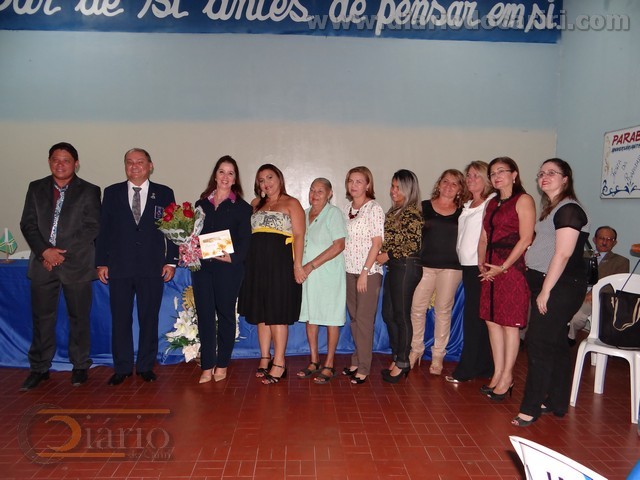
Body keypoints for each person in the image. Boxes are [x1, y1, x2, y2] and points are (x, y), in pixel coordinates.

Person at [512, 158, 590, 426]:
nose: (544, 177)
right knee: (555, 343)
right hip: (548, 283)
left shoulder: (570, 210)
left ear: (565, 178)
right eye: (541, 173)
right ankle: (557, 401)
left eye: (552, 173)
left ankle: (530, 408)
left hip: (560, 286)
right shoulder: (553, 208)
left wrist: (545, 290)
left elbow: (563, 253)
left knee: (538, 343)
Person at [19, 142, 101, 391]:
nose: (60, 164)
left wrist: (59, 254)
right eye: (55, 159)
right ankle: (39, 368)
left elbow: (92, 227)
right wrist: (45, 252)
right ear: (49, 162)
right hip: (42, 264)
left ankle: (80, 366)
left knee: (79, 318)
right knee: (42, 319)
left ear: (76, 163)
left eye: (66, 160)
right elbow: (28, 224)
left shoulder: (90, 190)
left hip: (76, 264)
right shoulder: (36, 188)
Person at [96, 148, 178, 386]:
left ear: (150, 166)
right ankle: (121, 367)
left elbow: (174, 228)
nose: (134, 166)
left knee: (149, 318)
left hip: (152, 267)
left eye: (140, 162)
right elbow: (103, 230)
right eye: (129, 162)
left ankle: (145, 366)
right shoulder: (111, 193)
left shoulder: (164, 193)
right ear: (125, 166)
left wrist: (171, 261)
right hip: (119, 267)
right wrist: (101, 262)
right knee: (120, 319)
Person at [238, 164, 305, 385]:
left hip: (280, 267)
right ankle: (265, 357)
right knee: (261, 314)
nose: (266, 183)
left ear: (279, 178)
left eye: (269, 177)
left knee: (277, 314)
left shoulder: (292, 203)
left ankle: (279, 362)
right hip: (256, 266)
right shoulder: (255, 205)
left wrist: (297, 265)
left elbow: (299, 236)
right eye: (261, 180)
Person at [478, 157, 535, 401]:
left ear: (514, 174)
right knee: (492, 321)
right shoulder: (491, 202)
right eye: (492, 173)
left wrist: (502, 267)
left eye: (502, 171)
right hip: (489, 267)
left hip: (511, 267)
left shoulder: (523, 199)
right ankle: (498, 372)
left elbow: (526, 239)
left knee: (509, 324)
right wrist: (481, 262)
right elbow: (483, 237)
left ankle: (508, 376)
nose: (496, 176)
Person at [192, 156, 252, 384]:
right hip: (202, 269)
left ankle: (223, 363)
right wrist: (189, 247)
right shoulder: (201, 205)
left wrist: (232, 257)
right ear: (215, 176)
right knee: (205, 316)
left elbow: (246, 242)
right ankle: (207, 365)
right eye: (221, 172)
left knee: (226, 316)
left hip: (228, 270)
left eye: (230, 173)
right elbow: (193, 236)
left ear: (235, 179)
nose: (225, 177)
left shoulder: (242, 208)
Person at [410, 169, 466, 375]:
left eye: (454, 183)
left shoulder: (464, 212)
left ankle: (438, 355)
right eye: (445, 181)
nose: (449, 186)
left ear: (460, 189)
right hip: (424, 265)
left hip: (451, 268)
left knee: (443, 311)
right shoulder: (423, 207)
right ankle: (416, 349)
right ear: (439, 184)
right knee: (417, 308)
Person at [445, 161, 496, 384]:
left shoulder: (491, 203)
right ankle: (484, 365)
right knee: (476, 316)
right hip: (467, 266)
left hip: (479, 266)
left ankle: (468, 368)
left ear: (486, 179)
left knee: (475, 318)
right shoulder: (468, 204)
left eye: (476, 175)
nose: (470, 179)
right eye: (469, 175)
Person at [296, 178, 347, 384]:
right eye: (312, 190)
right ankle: (314, 361)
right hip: (308, 276)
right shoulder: (304, 214)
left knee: (331, 317)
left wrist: (311, 265)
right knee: (311, 316)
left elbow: (339, 245)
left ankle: (329, 364)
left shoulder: (333, 214)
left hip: (328, 274)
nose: (315, 195)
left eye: (320, 191)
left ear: (329, 194)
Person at [376, 170, 423, 383]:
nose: (393, 191)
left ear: (409, 189)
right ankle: (397, 356)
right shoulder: (395, 210)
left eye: (398, 187)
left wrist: (388, 254)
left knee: (401, 315)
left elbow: (413, 245)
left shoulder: (412, 212)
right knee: (388, 314)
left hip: (406, 266)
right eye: (392, 186)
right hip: (395, 267)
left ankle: (403, 361)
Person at [342, 166, 384, 385]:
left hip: (368, 273)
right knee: (355, 320)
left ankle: (364, 367)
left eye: (359, 181)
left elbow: (377, 243)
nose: (354, 185)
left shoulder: (373, 208)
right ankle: (356, 360)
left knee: (364, 321)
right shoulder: (347, 208)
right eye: (351, 181)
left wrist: (365, 273)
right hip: (349, 270)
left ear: (368, 185)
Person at [567, 225, 629, 345]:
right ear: (595, 240)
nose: (605, 242)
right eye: (601, 238)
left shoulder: (621, 262)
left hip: (597, 298)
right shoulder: (581, 255)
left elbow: (616, 285)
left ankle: (570, 337)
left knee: (577, 317)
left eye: (609, 239)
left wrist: (594, 292)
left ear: (615, 242)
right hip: (575, 292)